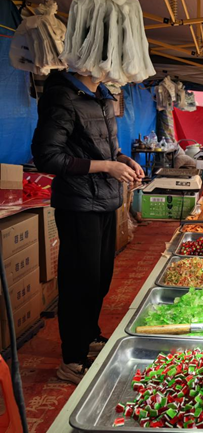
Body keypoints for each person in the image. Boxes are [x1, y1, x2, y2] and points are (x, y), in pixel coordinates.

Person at [32, 71, 145, 384]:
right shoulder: (62, 96)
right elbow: (47, 157)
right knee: (79, 281)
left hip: (106, 200)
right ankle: (71, 359)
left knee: (99, 279)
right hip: (78, 203)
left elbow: (106, 150)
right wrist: (107, 166)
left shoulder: (104, 96)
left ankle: (89, 337)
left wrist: (123, 159)